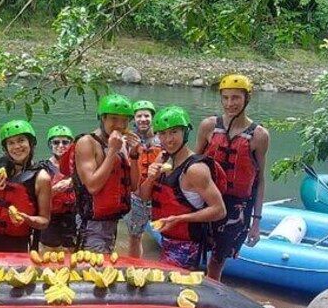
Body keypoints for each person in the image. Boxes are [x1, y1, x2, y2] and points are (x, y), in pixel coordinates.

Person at [196, 74, 269, 280]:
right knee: (192, 253)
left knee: (217, 261)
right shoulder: (208, 126)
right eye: (226, 97)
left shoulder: (259, 135)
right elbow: (192, 165)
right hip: (205, 200)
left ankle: (210, 302)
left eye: (236, 98)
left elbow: (259, 180)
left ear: (247, 99)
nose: (230, 103)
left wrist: (256, 221)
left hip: (236, 207)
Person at [138, 106, 225, 269]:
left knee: (172, 289)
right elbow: (143, 196)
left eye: (174, 132)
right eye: (162, 133)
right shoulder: (162, 157)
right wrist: (151, 178)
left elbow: (219, 210)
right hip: (167, 240)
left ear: (185, 132)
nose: (168, 139)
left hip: (187, 245)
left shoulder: (195, 169)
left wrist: (179, 219)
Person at [0, 120, 51, 252]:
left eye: (21, 140)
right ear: (5, 147)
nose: (16, 146)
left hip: (16, 242)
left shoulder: (41, 178)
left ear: (31, 143)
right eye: (11, 143)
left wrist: (27, 219)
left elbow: (44, 221)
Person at [72, 93, 139, 253]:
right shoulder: (87, 143)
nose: (120, 125)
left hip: (112, 221)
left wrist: (135, 155)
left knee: (105, 265)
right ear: (103, 118)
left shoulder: (121, 144)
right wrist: (112, 152)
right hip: (91, 224)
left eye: (124, 120)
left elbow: (134, 186)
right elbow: (92, 187)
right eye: (114, 119)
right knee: (92, 269)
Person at [125, 100, 162, 258]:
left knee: (167, 236)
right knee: (135, 236)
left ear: (152, 118)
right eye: (139, 116)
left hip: (159, 194)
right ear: (134, 119)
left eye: (146, 115)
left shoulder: (164, 138)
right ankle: (134, 266)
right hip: (136, 196)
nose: (143, 119)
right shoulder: (129, 140)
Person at [40, 125, 77, 251]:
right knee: (49, 254)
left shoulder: (79, 166)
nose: (60, 145)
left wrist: (74, 180)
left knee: (73, 254)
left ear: (71, 145)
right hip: (51, 217)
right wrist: (54, 189)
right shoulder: (42, 167)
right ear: (50, 145)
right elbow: (36, 197)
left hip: (72, 216)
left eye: (65, 142)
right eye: (56, 142)